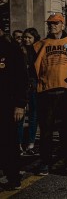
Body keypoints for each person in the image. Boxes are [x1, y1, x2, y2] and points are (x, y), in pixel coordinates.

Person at [32, 13, 67, 176]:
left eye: (55, 23)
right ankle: (45, 162)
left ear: (63, 25)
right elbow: (33, 68)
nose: (52, 26)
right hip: (47, 92)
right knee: (46, 131)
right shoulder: (40, 44)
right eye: (50, 24)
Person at [0, 36, 28, 190]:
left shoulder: (11, 48)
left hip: (7, 104)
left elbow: (21, 78)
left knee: (8, 142)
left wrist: (20, 104)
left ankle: (13, 177)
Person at [17, 28, 40, 156]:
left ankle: (31, 143)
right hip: (22, 85)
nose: (26, 39)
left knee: (33, 115)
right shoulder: (20, 50)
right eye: (25, 37)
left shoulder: (37, 50)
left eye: (29, 37)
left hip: (34, 84)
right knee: (20, 116)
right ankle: (18, 144)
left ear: (34, 39)